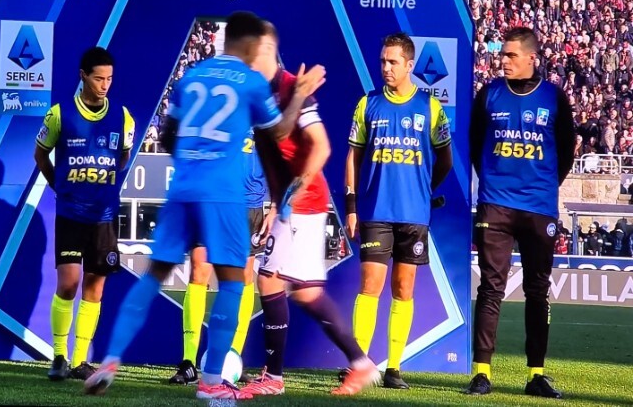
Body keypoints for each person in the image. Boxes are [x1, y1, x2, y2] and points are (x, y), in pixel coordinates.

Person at [84, 11, 322, 401]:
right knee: (232, 281)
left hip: (182, 187)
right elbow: (279, 131)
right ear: (252, 45)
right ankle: (211, 380)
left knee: (154, 274)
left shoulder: (192, 77)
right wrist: (298, 95)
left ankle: (110, 361)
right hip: (223, 192)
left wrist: (194, 157)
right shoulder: (250, 82)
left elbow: (168, 136)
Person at [239, 22, 381, 398]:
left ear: (267, 52)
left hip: (304, 202)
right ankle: (360, 363)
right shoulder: (259, 95)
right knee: (305, 292)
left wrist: (293, 194)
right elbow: (274, 152)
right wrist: (275, 202)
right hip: (293, 202)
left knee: (269, 279)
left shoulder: (290, 88)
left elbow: (321, 146)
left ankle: (273, 377)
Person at [466, 27, 575, 398]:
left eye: (512, 55)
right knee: (490, 287)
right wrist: (494, 183)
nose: (504, 61)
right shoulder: (489, 94)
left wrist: (542, 186)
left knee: (537, 291)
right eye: (503, 54)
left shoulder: (554, 97)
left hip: (538, 207)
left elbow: (566, 150)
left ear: (532, 58)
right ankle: (481, 373)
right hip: (495, 204)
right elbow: (475, 144)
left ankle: (536, 375)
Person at [343, 32, 453, 389]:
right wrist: (351, 206)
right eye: (383, 61)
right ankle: (359, 364)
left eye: (393, 62)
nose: (386, 67)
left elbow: (446, 159)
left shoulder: (430, 107)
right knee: (369, 286)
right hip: (376, 211)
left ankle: (393, 369)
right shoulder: (368, 104)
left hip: (414, 215)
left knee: (404, 289)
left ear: (409, 65)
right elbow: (353, 157)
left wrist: (423, 188)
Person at [34, 46, 136, 382]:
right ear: (83, 76)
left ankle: (80, 360)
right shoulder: (59, 115)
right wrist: (59, 185)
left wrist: (107, 182)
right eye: (98, 78)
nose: (105, 85)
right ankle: (58, 356)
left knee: (95, 287)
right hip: (70, 213)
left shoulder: (123, 117)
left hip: (103, 216)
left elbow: (123, 157)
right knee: (68, 283)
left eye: (109, 79)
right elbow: (40, 155)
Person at [168, 129, 267, 385]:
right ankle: (188, 362)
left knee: (243, 278)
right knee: (199, 270)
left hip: (249, 204)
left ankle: (233, 358)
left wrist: (276, 205)